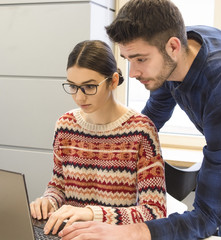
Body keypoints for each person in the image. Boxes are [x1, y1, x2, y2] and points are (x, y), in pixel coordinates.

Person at [58, 0, 221, 240]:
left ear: (173, 47)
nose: (133, 72)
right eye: (128, 60)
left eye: (140, 59)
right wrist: (100, 152)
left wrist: (126, 231)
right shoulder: (169, 61)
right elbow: (145, 126)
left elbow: (207, 218)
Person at [30, 40, 167, 235]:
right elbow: (58, 186)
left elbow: (154, 213)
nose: (79, 97)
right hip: (70, 235)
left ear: (112, 81)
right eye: (73, 86)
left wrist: (91, 214)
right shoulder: (65, 125)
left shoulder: (141, 131)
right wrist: (48, 201)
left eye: (89, 87)